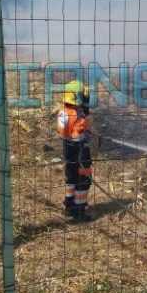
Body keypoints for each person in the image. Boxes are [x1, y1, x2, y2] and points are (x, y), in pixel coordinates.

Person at [57, 80, 93, 222]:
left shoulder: (63, 111)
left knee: (70, 176)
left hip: (68, 148)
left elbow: (64, 131)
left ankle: (69, 204)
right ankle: (79, 210)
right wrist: (86, 110)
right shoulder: (78, 115)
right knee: (84, 179)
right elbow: (86, 127)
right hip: (81, 150)